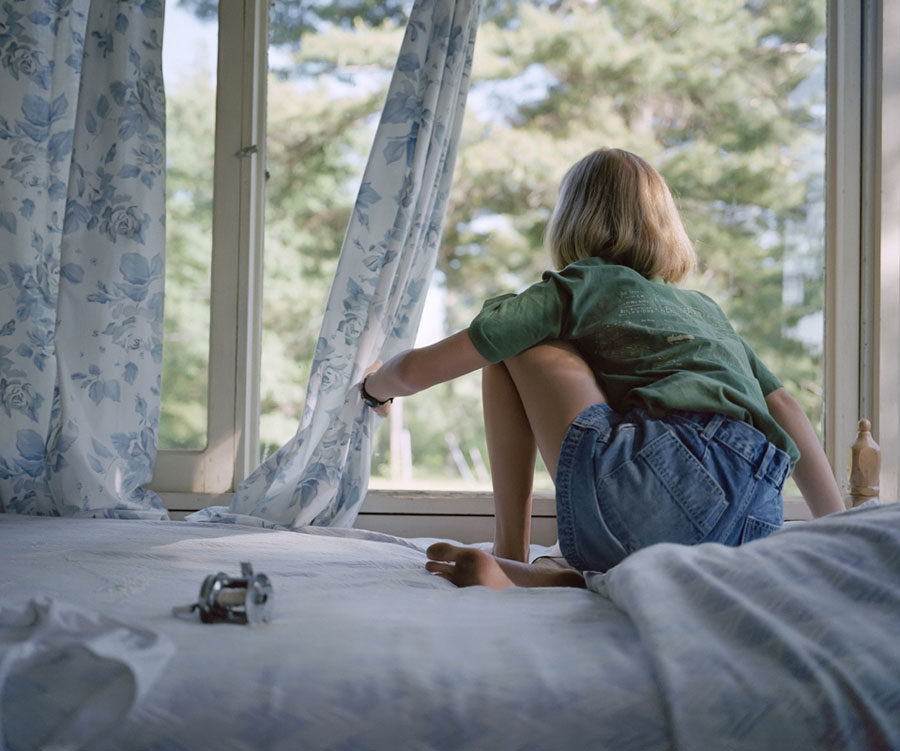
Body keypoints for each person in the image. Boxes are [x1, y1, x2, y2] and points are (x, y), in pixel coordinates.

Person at [359, 147, 845, 590]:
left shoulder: (577, 287)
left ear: (572, 220)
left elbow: (420, 370)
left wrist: (376, 387)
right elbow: (783, 405)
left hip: (659, 488)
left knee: (514, 340)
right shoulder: (703, 310)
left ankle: (510, 550)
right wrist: (838, 531)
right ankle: (562, 577)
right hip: (755, 517)